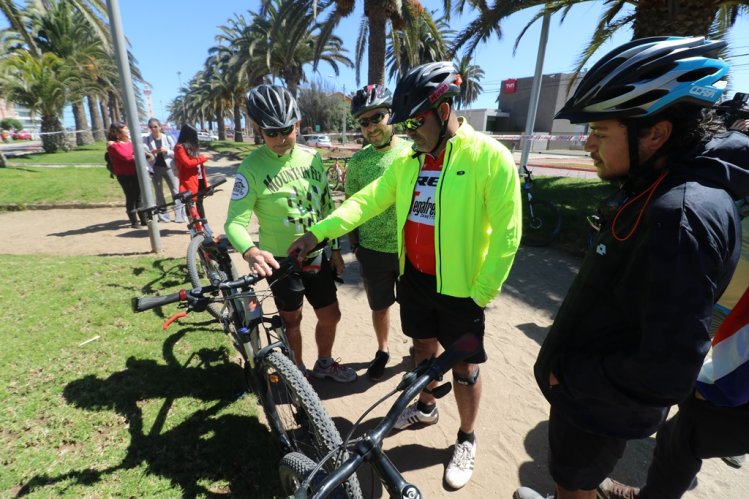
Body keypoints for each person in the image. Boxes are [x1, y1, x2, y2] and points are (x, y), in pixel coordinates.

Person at [514, 36, 749, 499]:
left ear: (656, 133)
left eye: (600, 133)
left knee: (572, 484)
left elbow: (668, 369)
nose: (588, 145)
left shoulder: (681, 217)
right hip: (595, 393)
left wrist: (573, 378)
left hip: (598, 405)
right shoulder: (656, 182)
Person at [288, 61, 522, 489]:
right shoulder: (409, 163)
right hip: (414, 278)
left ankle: (466, 437)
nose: (408, 130)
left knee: (465, 367)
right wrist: (317, 233)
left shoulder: (489, 157)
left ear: (445, 109)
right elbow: (364, 202)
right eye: (405, 122)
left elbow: (508, 235)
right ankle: (427, 407)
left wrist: (480, 294)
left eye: (416, 120)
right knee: (422, 351)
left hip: (462, 291)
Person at [224, 84, 356, 383]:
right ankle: (298, 373)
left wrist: (334, 248)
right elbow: (234, 223)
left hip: (318, 253)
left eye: (287, 129)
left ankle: (324, 363)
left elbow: (325, 208)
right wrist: (250, 251)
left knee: (330, 314)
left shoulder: (312, 157)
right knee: (291, 321)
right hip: (281, 261)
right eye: (272, 132)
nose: (282, 138)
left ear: (297, 123)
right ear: (257, 129)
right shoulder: (251, 167)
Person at [345, 84, 412, 381]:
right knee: (380, 306)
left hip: (411, 249)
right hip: (372, 249)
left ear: (391, 115)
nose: (371, 126)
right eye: (364, 121)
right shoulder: (358, 162)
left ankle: (420, 350)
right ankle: (383, 350)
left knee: (417, 307)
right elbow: (351, 205)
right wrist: (355, 245)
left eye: (377, 117)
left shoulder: (414, 151)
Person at [106, 121, 148, 229]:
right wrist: (138, 156)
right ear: (118, 132)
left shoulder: (130, 142)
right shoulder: (112, 144)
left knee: (139, 196)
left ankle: (144, 219)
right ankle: (134, 221)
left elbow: (138, 154)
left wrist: (139, 155)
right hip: (124, 175)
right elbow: (127, 157)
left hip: (135, 172)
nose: (128, 130)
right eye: (125, 128)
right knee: (131, 196)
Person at [143, 118, 185, 223]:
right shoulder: (146, 139)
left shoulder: (168, 138)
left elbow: (176, 153)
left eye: (155, 126)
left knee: (176, 191)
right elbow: (144, 154)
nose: (153, 129)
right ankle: (163, 216)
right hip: (155, 168)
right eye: (151, 127)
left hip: (169, 167)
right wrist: (151, 153)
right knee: (158, 192)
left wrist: (167, 151)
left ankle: (179, 216)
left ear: (160, 127)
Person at [174, 124, 210, 219]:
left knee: (199, 202)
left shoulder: (192, 146)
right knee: (189, 203)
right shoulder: (179, 147)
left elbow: (196, 160)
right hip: (189, 180)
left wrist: (201, 158)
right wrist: (203, 158)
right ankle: (193, 224)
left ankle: (203, 224)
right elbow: (187, 163)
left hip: (199, 178)